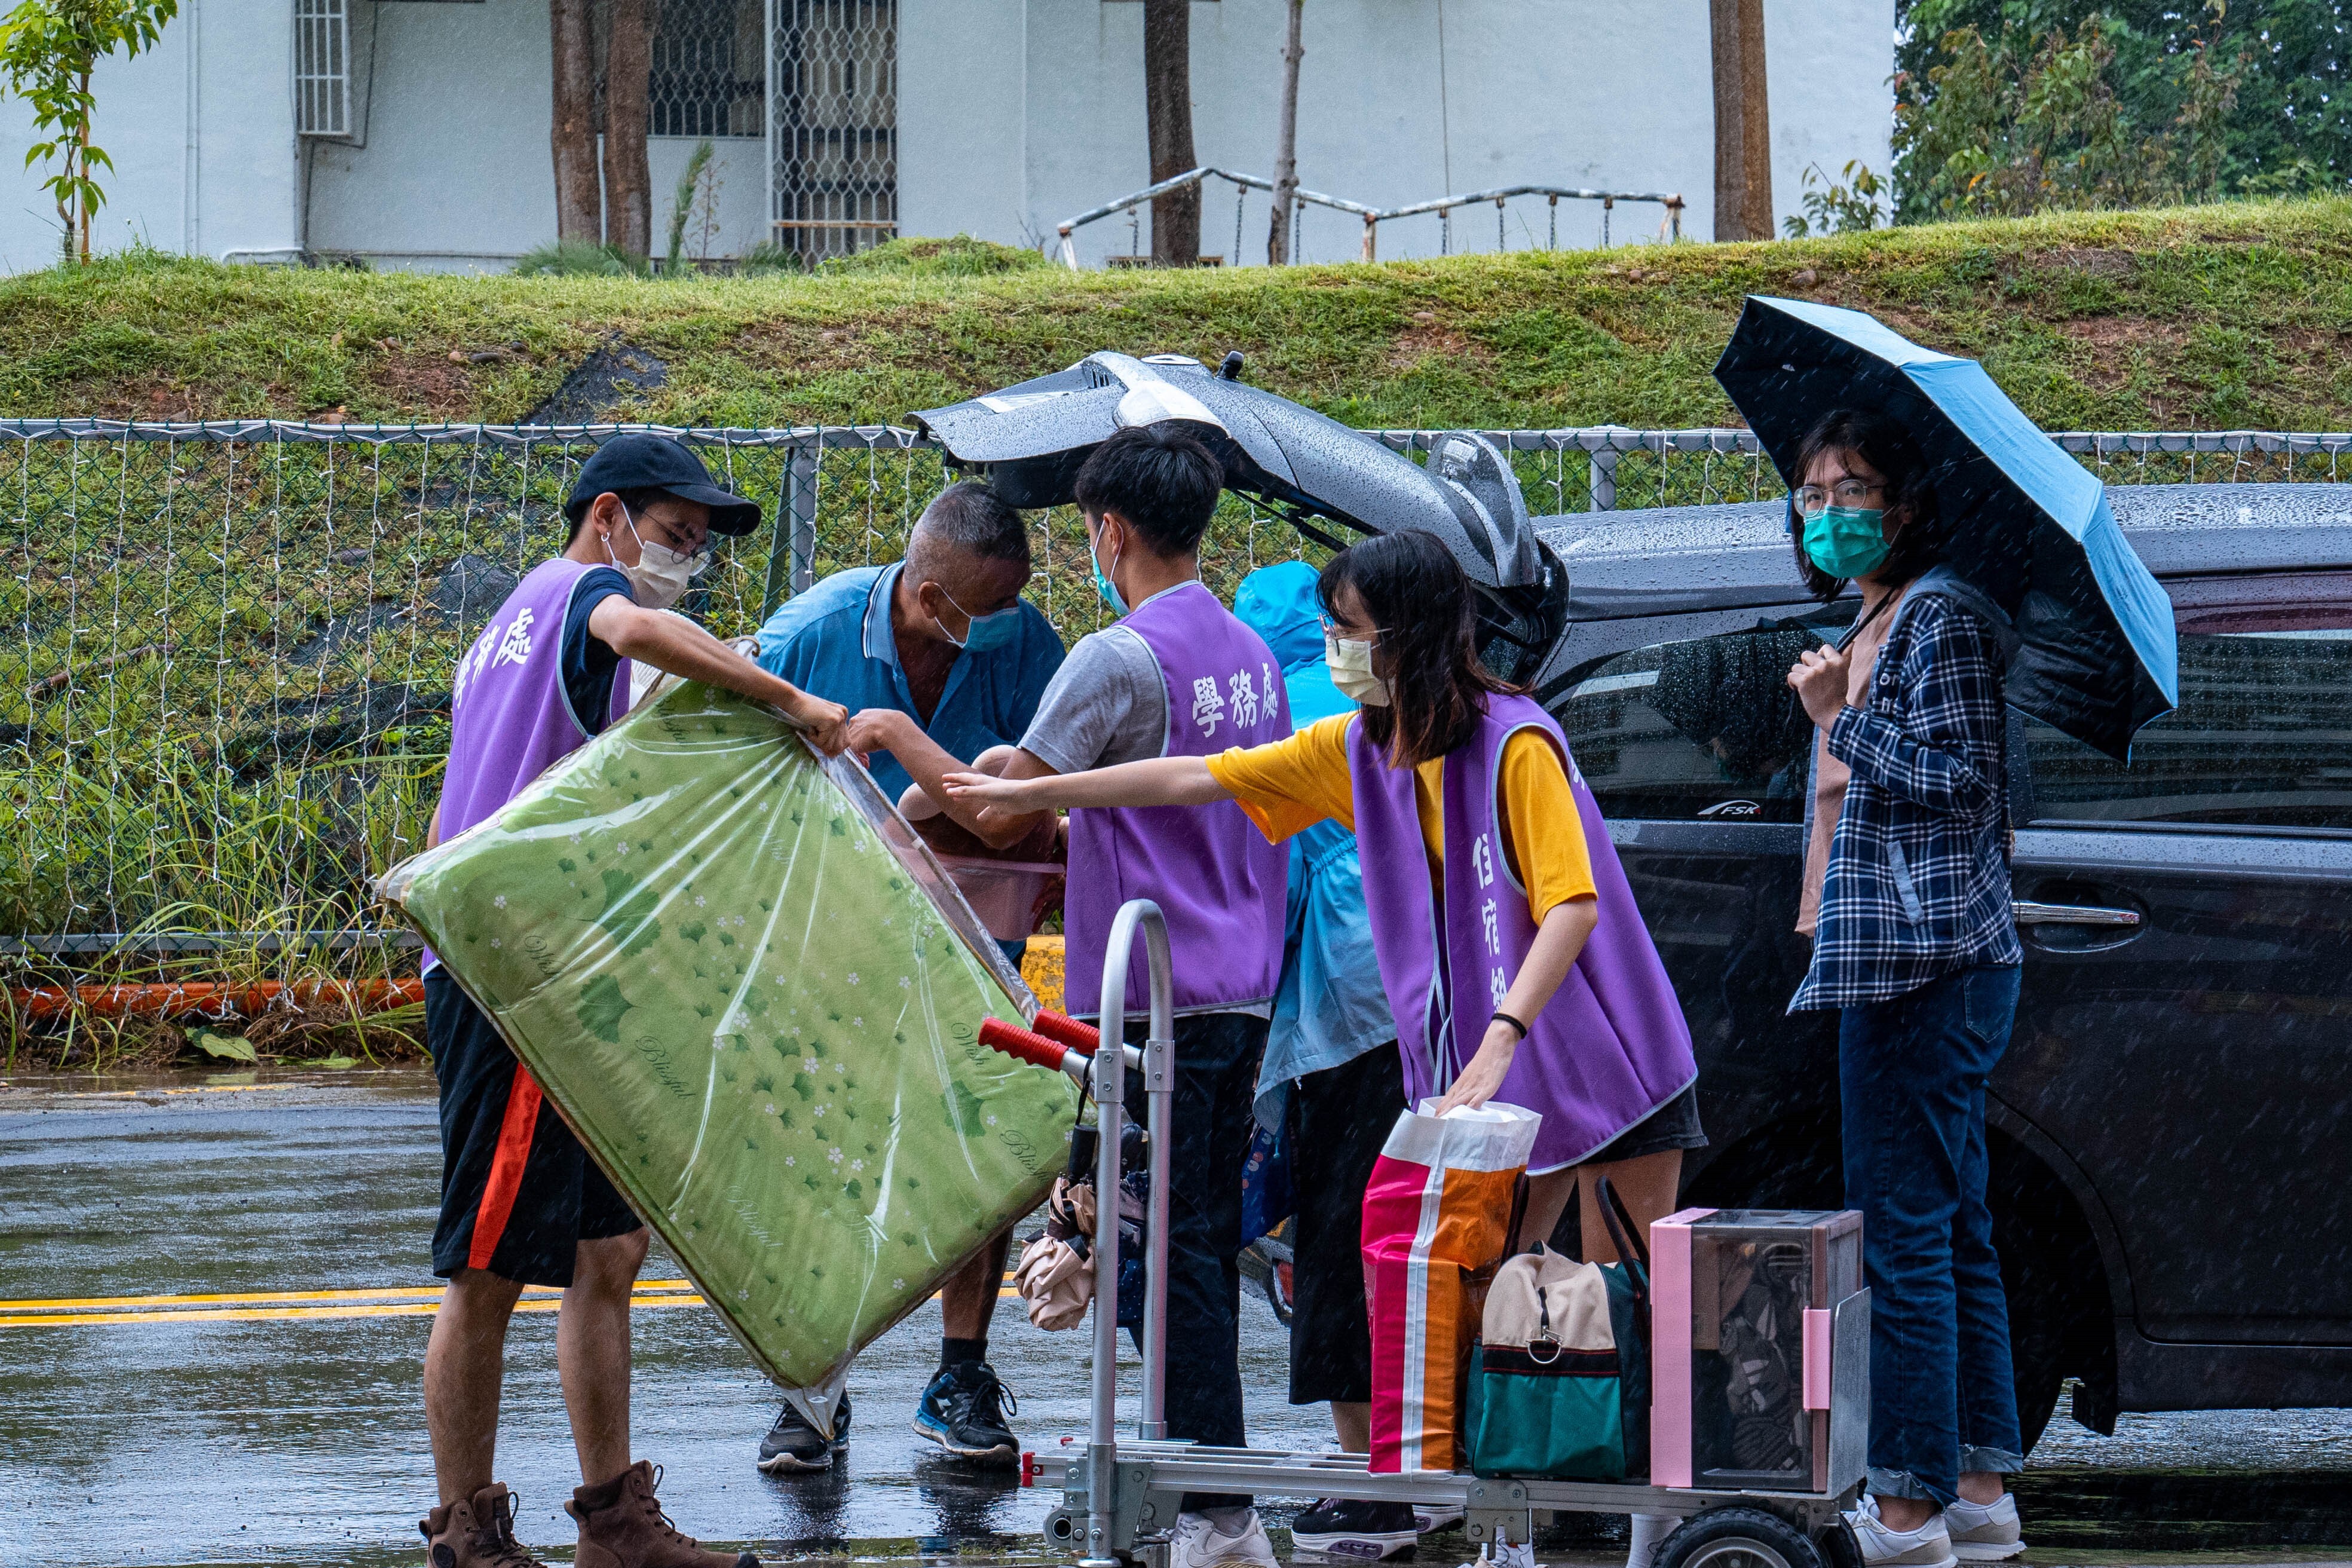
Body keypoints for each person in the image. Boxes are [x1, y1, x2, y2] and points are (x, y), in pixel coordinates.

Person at [942, 528, 1696, 1544]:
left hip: (1608, 1061)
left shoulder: (1516, 744)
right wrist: (1032, 792)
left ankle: (1653, 1535)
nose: (1338, 651)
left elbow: (1572, 904)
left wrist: (1505, 1034)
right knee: (1511, 1313)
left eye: (1350, 631)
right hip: (1503, 1087)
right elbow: (1198, 778)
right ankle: (1517, 1530)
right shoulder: (1364, 750)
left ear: (1410, 637)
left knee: (1616, 1311)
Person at [417, 433, 848, 1568]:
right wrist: (784, 693)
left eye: (699, 549)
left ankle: (615, 1522)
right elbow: (642, 628)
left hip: (566, 978)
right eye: (675, 536)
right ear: (607, 515)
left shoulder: (500, 630)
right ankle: (467, 1532)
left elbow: (463, 797)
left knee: (608, 1250)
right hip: (511, 980)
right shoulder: (580, 591)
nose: (685, 563)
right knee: (489, 1265)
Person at [912, 420, 1291, 1568]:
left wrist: (890, 744)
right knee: (1188, 1245)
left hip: (1152, 999)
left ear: (1109, 531)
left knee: (1148, 1253)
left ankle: (1211, 1507)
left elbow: (997, 807)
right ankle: (1204, 1491)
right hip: (1238, 990)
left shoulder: (1118, 660)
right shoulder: (1248, 655)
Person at [748, 479, 1064, 1473]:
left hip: (975, 952)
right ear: (930, 597)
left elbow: (1045, 796)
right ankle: (814, 1390)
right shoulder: (813, 633)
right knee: (829, 1157)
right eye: (992, 605)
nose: (1009, 624)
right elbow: (733, 766)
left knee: (979, 1156)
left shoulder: (1024, 646)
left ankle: (959, 1376)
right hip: (827, 944)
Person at [1781, 409, 2027, 1568]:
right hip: (1897, 965)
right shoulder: (1876, 615)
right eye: (1813, 492)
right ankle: (1977, 1489)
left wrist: (1840, 720)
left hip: (1928, 972)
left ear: (1906, 498)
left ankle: (1913, 1505)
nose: (1831, 511)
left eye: (1854, 487)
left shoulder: (1940, 615)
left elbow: (1960, 780)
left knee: (1909, 1238)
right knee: (1954, 1227)